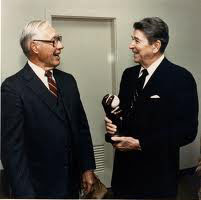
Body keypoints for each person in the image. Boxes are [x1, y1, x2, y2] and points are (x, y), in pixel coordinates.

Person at [105, 17, 199, 199]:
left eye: (136, 40)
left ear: (156, 46)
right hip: (123, 177)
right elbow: (125, 114)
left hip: (157, 179)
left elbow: (187, 131)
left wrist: (140, 144)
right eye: (132, 39)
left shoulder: (181, 78)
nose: (130, 45)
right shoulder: (129, 75)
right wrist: (113, 127)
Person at [1, 20, 96, 198]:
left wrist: (87, 168)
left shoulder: (68, 81)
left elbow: (81, 128)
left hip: (71, 185)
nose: (60, 46)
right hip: (38, 189)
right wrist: (25, 195)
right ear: (35, 47)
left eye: (59, 40)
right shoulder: (13, 88)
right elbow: (12, 151)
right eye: (54, 41)